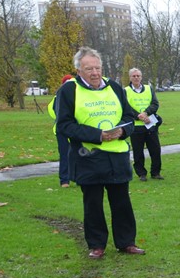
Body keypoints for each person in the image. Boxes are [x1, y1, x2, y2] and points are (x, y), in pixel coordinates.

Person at [54, 47, 144, 259]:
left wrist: (122, 131)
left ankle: (126, 242)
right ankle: (96, 245)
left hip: (117, 157)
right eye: (88, 69)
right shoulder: (68, 91)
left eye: (97, 68)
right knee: (93, 204)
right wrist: (97, 135)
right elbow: (64, 125)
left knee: (122, 202)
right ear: (78, 70)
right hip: (88, 157)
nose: (94, 73)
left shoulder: (114, 87)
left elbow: (129, 117)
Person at [126, 68, 162, 181]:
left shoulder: (148, 88)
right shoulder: (125, 91)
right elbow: (125, 107)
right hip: (136, 127)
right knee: (138, 152)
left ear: (141, 77)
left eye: (138, 76)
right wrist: (138, 116)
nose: (136, 78)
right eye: (134, 76)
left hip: (150, 124)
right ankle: (141, 173)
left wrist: (146, 113)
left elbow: (155, 104)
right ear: (130, 78)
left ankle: (155, 173)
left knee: (155, 150)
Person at [48, 74, 75, 187]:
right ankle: (64, 180)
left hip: (75, 129)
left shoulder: (78, 96)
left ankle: (78, 177)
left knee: (79, 154)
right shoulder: (58, 97)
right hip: (63, 130)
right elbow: (57, 114)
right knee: (65, 154)